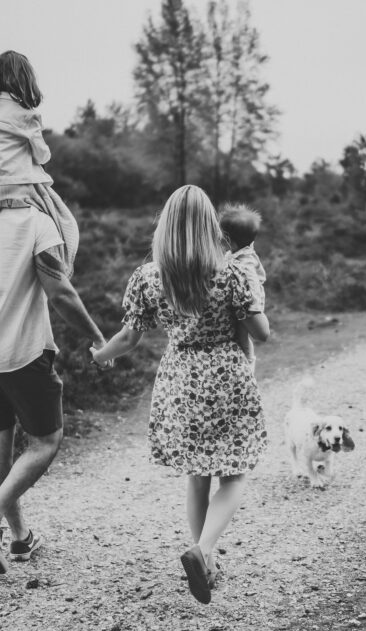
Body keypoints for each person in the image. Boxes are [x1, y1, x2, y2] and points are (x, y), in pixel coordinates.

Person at [90, 185, 270, 604]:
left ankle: (204, 563)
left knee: (197, 475)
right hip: (225, 374)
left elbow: (129, 337)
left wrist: (101, 355)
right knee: (235, 471)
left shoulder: (149, 275)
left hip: (180, 377)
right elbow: (261, 331)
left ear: (165, 226)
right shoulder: (233, 272)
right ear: (210, 224)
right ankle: (203, 551)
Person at [0, 204, 108, 575]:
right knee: (46, 440)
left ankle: (19, 537)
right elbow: (60, 293)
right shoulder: (36, 222)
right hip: (23, 353)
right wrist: (97, 337)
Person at [0, 50, 79, 276]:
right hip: (19, 188)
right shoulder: (27, 115)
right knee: (64, 220)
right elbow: (43, 156)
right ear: (26, 80)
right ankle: (65, 268)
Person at [219, 204, 267, 372]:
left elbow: (252, 287)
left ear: (229, 240)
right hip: (241, 302)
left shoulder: (245, 263)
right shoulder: (237, 252)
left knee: (243, 340)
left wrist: (252, 309)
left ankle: (247, 366)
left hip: (248, 305)